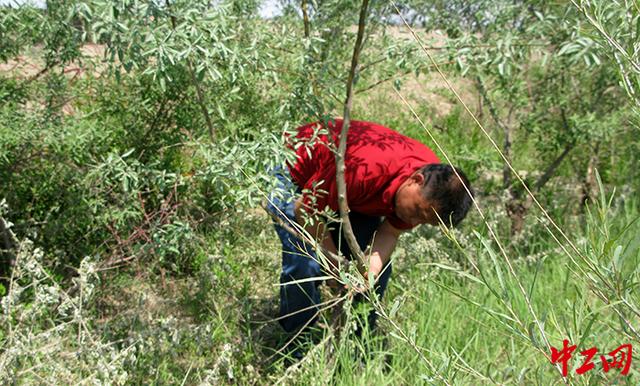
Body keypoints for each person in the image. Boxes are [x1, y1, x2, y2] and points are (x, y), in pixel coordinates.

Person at [266, 118, 473, 334]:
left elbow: (390, 232)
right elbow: (305, 209)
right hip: (294, 169)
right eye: (417, 213)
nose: (412, 223)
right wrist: (335, 267)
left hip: (347, 190)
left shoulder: (431, 193)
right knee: (306, 266)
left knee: (377, 273)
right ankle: (296, 341)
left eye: (424, 223)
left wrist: (371, 268)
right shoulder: (367, 168)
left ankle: (356, 344)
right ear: (416, 180)